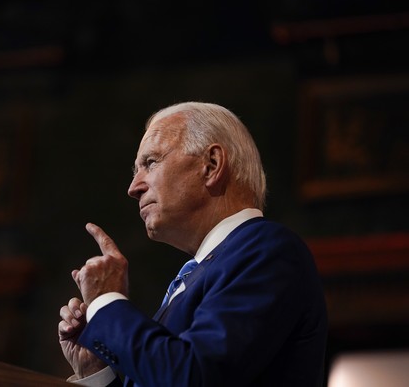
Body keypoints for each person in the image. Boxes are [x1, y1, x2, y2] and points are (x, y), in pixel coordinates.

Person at [58, 102, 327, 387]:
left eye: (150, 162)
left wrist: (106, 304)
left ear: (211, 165)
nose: (133, 187)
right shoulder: (201, 270)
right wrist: (96, 373)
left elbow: (193, 377)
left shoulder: (268, 250)